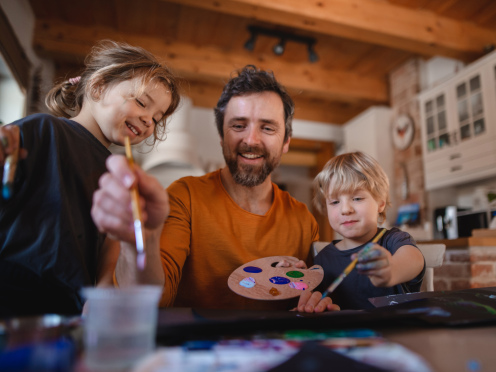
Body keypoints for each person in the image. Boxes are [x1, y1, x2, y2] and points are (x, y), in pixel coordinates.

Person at [91, 65, 338, 312]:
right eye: (238, 126)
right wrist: (137, 243)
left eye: (267, 128)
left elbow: (306, 297)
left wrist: (316, 304)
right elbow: (152, 300)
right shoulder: (184, 197)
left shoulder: (304, 220)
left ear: (285, 142)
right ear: (221, 136)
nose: (251, 140)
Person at [0, 40, 181, 317]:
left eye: (157, 118)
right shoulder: (43, 130)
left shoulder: (119, 175)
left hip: (66, 315)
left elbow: (110, 259)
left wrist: (98, 304)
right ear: (97, 87)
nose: (148, 121)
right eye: (142, 103)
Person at [306, 151, 425, 310]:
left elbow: (414, 260)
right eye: (334, 201)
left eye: (357, 198)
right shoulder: (322, 259)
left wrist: (392, 269)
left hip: (394, 333)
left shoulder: (393, 240)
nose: (345, 209)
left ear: (381, 203)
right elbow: (311, 301)